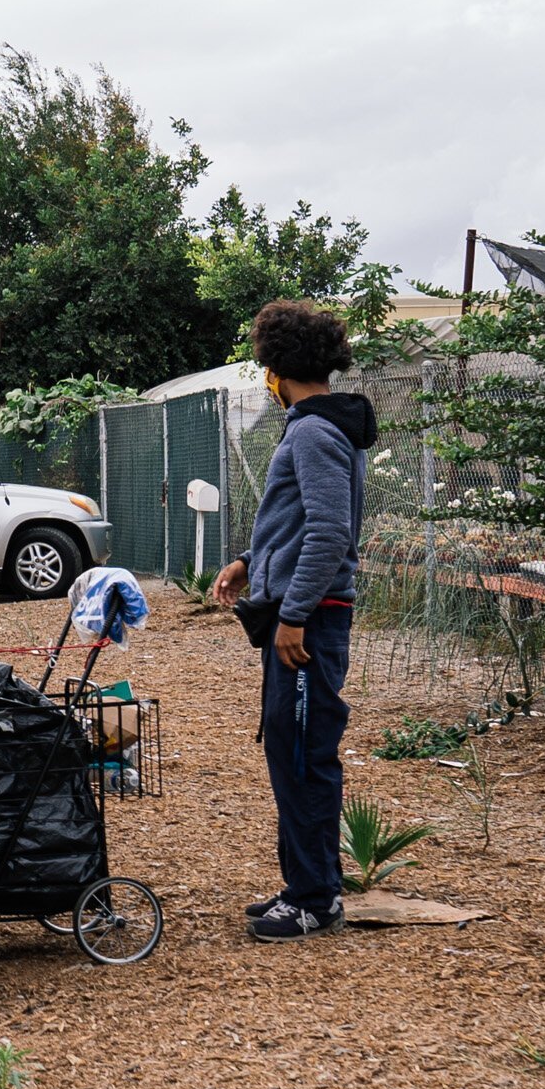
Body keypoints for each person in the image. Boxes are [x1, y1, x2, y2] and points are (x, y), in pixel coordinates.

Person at [214, 301, 375, 944]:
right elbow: (301, 521)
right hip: (297, 610)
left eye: (265, 370)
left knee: (305, 755)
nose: (265, 381)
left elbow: (332, 532)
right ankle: (303, 885)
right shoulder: (318, 426)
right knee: (289, 747)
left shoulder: (311, 431)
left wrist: (296, 616)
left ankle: (314, 900)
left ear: (277, 370)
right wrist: (252, 562)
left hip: (310, 621)